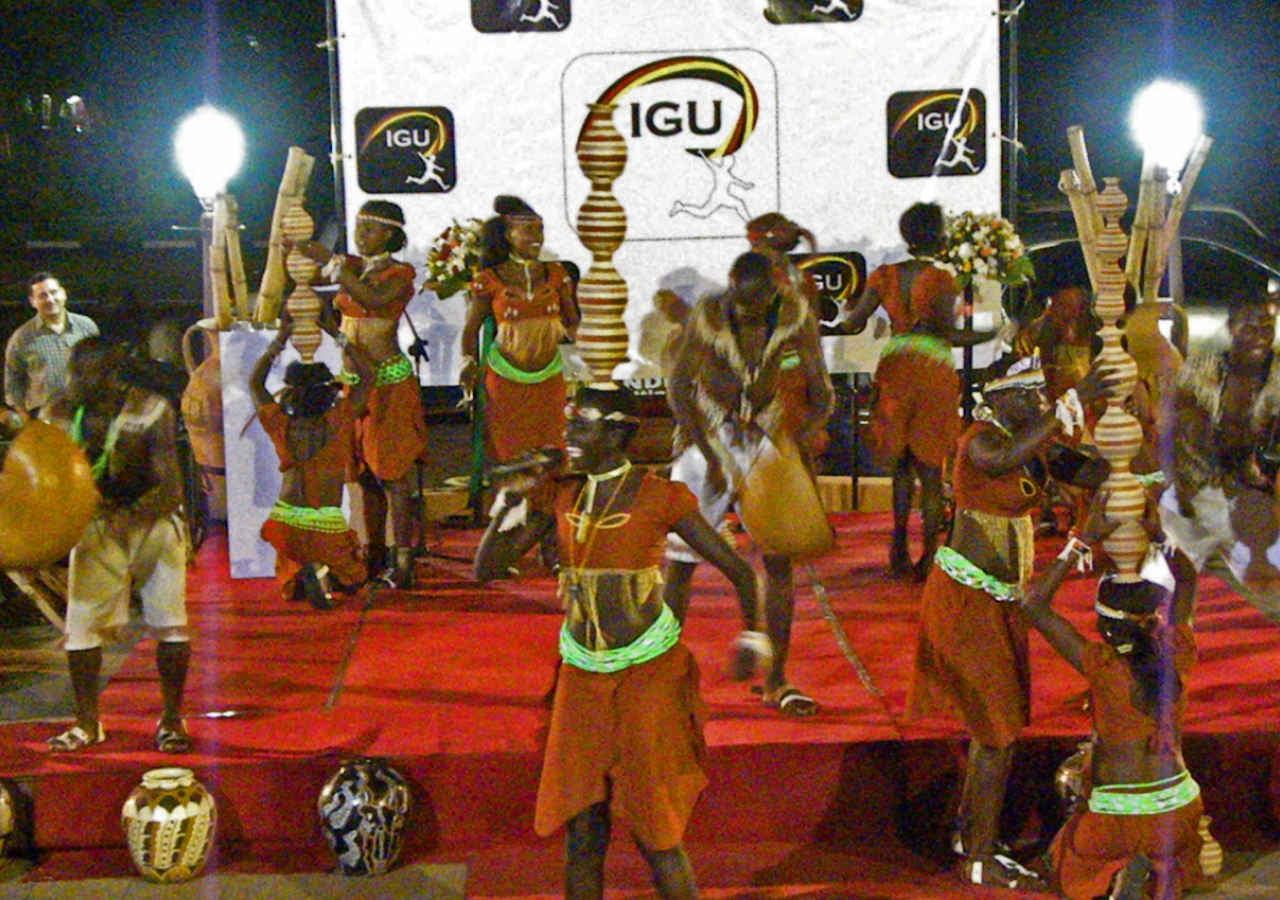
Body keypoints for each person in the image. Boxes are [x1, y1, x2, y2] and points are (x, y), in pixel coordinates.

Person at [474, 384, 759, 900]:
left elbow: (741, 572)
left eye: (581, 424)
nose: (568, 434)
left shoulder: (660, 495)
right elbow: (487, 568)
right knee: (584, 832)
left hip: (647, 676)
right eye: (568, 422)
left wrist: (753, 638)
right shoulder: (561, 494)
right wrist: (511, 500)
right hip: (581, 675)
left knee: (657, 834)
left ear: (618, 432)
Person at [907, 352, 1114, 888]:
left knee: (995, 727)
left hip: (1004, 602)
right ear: (1003, 397)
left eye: (1045, 396)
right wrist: (1068, 402)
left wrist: (1106, 437)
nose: (1042, 403)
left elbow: (1095, 472)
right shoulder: (979, 439)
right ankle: (978, 857)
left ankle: (969, 832)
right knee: (996, 731)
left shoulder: (1036, 448)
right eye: (1034, 395)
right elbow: (1002, 462)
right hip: (964, 600)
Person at [663, 251, 834, 717]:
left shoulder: (795, 318)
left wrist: (793, 441)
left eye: (754, 305)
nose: (744, 312)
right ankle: (659, 677)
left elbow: (822, 393)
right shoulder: (710, 318)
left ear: (773, 295)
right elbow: (679, 390)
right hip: (708, 437)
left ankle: (777, 678)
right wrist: (711, 454)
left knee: (778, 560)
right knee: (679, 562)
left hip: (765, 437)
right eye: (738, 301)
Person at [1021, 511, 1206, 900]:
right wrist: (1158, 534)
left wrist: (1081, 540)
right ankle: (1158, 863)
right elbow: (1187, 577)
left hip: (1114, 824)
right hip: (1178, 812)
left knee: (1065, 859)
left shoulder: (1102, 664)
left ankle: (1122, 865)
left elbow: (1034, 603)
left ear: (1105, 628)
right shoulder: (1178, 650)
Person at [42, 337, 191, 753]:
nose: (74, 382)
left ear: (111, 378)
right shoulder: (60, 412)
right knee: (81, 630)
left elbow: (171, 488)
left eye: (83, 375)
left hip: (153, 521)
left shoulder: (150, 408)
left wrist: (128, 518)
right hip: (99, 521)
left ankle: (172, 720)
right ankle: (88, 724)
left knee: (171, 624)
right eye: (73, 373)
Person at [840, 202, 995, 580]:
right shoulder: (942, 279)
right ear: (939, 237)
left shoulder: (883, 275)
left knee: (901, 468)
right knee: (930, 469)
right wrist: (992, 332)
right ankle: (928, 554)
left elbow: (852, 323)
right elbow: (946, 334)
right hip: (931, 373)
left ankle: (897, 546)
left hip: (894, 368)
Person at [289, 200, 429, 590]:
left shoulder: (400, 273)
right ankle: (374, 554)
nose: (360, 234)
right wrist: (297, 243)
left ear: (390, 234)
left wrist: (336, 266)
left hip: (390, 385)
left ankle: (403, 562)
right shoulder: (351, 265)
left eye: (369, 229)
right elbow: (317, 276)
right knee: (364, 475)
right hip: (353, 382)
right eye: (358, 227)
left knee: (393, 474)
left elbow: (373, 301)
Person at [463, 195, 580, 565]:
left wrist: (583, 338)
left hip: (548, 380)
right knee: (514, 462)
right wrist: (467, 362)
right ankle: (508, 548)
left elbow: (573, 321)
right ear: (507, 234)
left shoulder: (557, 273)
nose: (537, 236)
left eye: (540, 229)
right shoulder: (489, 279)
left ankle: (551, 545)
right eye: (527, 230)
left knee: (553, 458)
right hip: (505, 382)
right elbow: (470, 330)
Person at [1160, 295, 1280, 610]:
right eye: (1249, 325)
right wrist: (1175, 489)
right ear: (1231, 326)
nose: (1260, 334)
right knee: (1164, 587)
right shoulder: (1199, 369)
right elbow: (1170, 431)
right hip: (1197, 492)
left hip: (1255, 502)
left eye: (1267, 324)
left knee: (1269, 590)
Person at [249, 316, 376, 608]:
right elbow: (367, 375)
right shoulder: (340, 419)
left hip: (285, 524)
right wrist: (335, 332)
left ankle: (306, 566)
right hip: (325, 527)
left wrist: (281, 338)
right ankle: (321, 567)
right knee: (355, 580)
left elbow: (254, 381)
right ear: (328, 393)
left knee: (293, 579)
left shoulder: (280, 424)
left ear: (291, 394)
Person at [5, 272, 99, 415]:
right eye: (42, 295)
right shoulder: (21, 338)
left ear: (63, 293)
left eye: (54, 292)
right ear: (32, 301)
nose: (50, 299)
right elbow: (13, 383)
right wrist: (25, 420)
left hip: (84, 415)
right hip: (43, 418)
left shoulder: (87, 327)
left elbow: (102, 369)